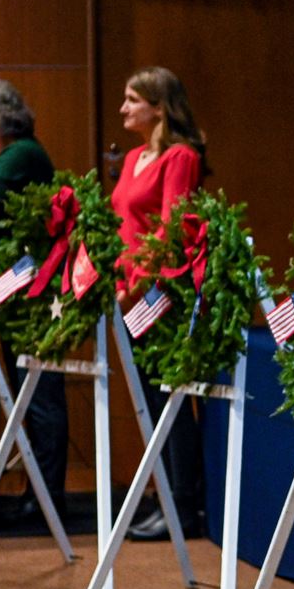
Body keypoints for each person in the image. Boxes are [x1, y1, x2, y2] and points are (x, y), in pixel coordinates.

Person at [0, 79, 69, 527]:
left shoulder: (22, 154)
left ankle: (49, 501)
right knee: (24, 394)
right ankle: (37, 493)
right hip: (11, 290)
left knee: (38, 395)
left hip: (36, 291)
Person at [110, 67, 208, 540]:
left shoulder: (181, 157)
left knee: (169, 396)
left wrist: (139, 284)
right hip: (127, 291)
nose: (124, 108)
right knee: (148, 397)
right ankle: (165, 494)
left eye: (133, 99)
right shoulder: (132, 159)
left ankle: (183, 506)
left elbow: (173, 229)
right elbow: (122, 226)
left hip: (159, 292)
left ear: (159, 107)